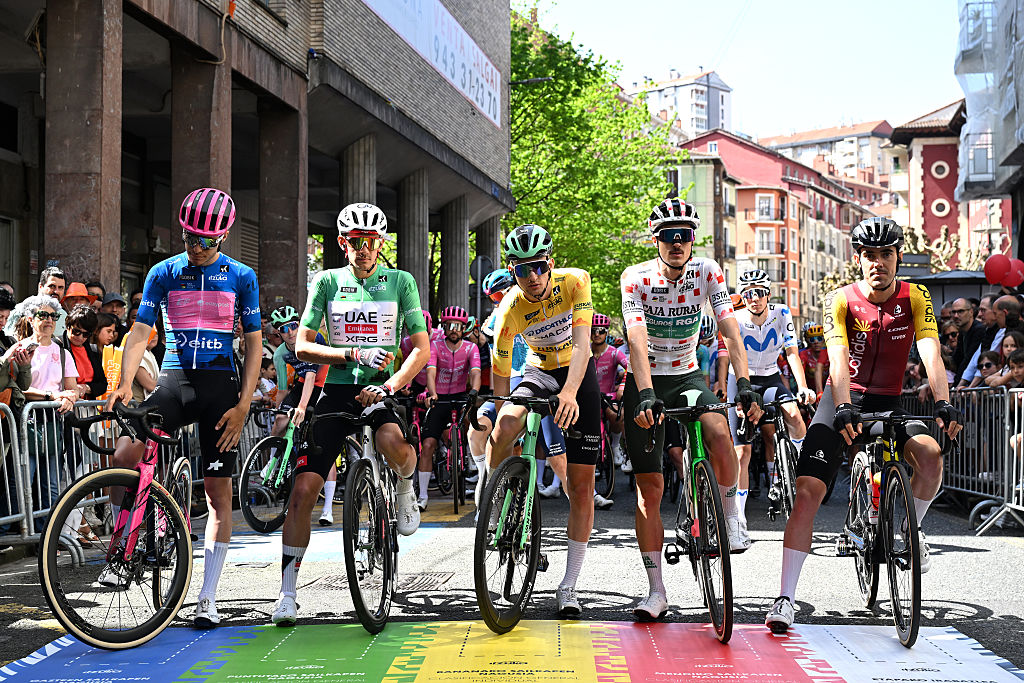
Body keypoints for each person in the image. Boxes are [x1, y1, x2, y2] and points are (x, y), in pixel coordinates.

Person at [765, 217, 962, 633]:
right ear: (858, 259)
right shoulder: (840, 299)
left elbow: (931, 351)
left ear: (898, 257)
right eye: (869, 255)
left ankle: (910, 530)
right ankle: (785, 598)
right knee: (808, 491)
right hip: (843, 399)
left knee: (930, 456)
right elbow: (837, 358)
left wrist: (943, 401)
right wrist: (842, 405)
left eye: (886, 254)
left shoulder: (916, 296)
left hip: (889, 402)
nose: (878, 262)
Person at [104, 188, 262, 629]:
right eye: (190, 238)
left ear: (222, 237)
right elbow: (139, 333)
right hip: (175, 382)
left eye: (205, 241)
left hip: (220, 388)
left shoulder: (242, 276)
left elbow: (253, 344)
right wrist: (122, 384)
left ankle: (207, 596)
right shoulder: (164, 272)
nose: (196, 247)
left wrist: (244, 405)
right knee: (124, 455)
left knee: (217, 494)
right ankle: (123, 544)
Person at [271, 202, 429, 626]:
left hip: (382, 386)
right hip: (339, 390)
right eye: (356, 241)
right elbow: (303, 345)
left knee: (393, 442)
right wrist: (351, 353)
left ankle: (405, 485)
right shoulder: (326, 282)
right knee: (303, 489)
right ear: (343, 243)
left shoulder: (401, 281)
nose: (364, 249)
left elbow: (421, 349)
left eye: (371, 241)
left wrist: (391, 386)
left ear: (381, 242)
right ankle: (287, 593)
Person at [620, 198, 764, 621]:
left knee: (720, 432)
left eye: (684, 235)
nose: (677, 243)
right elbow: (636, 339)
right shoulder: (636, 277)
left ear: (692, 239)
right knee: (650, 491)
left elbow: (730, 332)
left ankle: (730, 516)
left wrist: (746, 384)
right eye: (669, 236)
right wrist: (646, 393)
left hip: (686, 377)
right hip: (647, 381)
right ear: (656, 240)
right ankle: (656, 592)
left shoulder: (707, 270)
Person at [486, 223, 602, 618]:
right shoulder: (509, 309)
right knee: (504, 425)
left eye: (539, 266)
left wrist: (569, 393)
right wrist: (497, 411)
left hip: (578, 372)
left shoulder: (575, 281)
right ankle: (496, 499)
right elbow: (501, 374)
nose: (532, 276)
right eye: (523, 270)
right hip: (538, 373)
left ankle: (568, 585)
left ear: (550, 263)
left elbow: (584, 345)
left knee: (581, 487)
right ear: (513, 271)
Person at [727, 269, 815, 550]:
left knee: (795, 415)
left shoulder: (781, 313)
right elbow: (733, 355)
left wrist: (803, 387)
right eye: (748, 294)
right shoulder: (736, 318)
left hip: (770, 377)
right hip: (742, 380)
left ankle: (797, 465)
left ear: (768, 294)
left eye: (760, 293)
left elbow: (792, 352)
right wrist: (742, 394)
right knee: (742, 451)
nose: (754, 298)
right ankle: (738, 520)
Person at [267, 304, 333, 525]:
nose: (291, 332)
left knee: (324, 443)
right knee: (280, 420)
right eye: (284, 329)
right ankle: (273, 462)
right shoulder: (280, 354)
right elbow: (283, 390)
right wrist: (280, 409)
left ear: (300, 325)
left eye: (294, 326)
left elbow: (313, 377)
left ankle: (327, 508)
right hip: (304, 384)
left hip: (326, 383)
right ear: (278, 333)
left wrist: (302, 408)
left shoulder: (310, 339)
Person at [18, 294, 79, 529]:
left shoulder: (63, 352)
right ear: (31, 319)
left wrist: (70, 398)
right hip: (26, 422)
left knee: (51, 485)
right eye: (43, 315)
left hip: (53, 422)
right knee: (24, 482)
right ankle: (21, 531)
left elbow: (72, 388)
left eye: (54, 316)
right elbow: (18, 389)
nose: (49, 320)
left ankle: (48, 534)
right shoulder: (20, 349)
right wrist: (50, 396)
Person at [418, 306, 480, 510]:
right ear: (443, 327)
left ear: (464, 329)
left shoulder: (471, 348)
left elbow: (475, 372)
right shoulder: (435, 346)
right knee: (428, 444)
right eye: (449, 325)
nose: (453, 330)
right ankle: (423, 495)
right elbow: (431, 371)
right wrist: (432, 393)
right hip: (440, 396)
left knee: (470, 423)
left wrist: (474, 392)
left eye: (458, 326)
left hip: (461, 395)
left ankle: (467, 454)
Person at [591, 313, 627, 467]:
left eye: (601, 331)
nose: (597, 334)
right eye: (593, 330)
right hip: (589, 396)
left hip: (609, 396)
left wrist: (622, 387)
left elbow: (630, 368)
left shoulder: (614, 352)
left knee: (618, 415)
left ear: (606, 332)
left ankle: (615, 445)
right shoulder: (584, 352)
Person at [5, 268, 68, 339]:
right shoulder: (22, 310)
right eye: (52, 286)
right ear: (40, 287)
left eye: (60, 287)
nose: (56, 291)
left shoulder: (63, 315)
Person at [62, 306, 99, 399]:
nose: (80, 337)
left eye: (86, 334)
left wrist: (86, 388)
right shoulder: (57, 346)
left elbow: (102, 384)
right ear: (68, 326)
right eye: (76, 331)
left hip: (88, 404)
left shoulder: (92, 350)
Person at [799, 323, 827, 396]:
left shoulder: (829, 352)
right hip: (809, 390)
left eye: (819, 338)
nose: (816, 342)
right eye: (812, 339)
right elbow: (800, 373)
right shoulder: (804, 354)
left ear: (824, 340)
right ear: (808, 341)